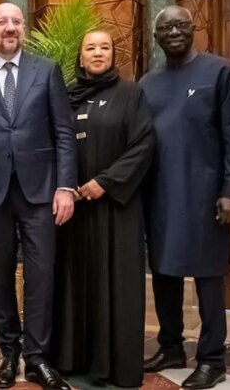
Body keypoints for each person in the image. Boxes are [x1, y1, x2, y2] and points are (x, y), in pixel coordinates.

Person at [0, 2, 76, 390]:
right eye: (1, 22)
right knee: (0, 276)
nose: (9, 28)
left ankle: (37, 358)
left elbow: (64, 132)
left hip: (41, 191)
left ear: (23, 28)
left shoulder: (46, 71)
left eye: (15, 22)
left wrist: (65, 187)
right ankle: (8, 353)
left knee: (41, 275)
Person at [140, 5, 230, 390]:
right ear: (156, 37)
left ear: (193, 28)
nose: (173, 32)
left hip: (206, 196)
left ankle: (212, 359)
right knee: (164, 274)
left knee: (208, 277)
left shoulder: (221, 72)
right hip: (159, 196)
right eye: (165, 27)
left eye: (180, 25)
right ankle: (171, 347)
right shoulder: (147, 84)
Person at [51, 30, 155, 388]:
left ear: (113, 55)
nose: (98, 53)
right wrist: (65, 187)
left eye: (104, 47)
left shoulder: (131, 93)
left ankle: (116, 367)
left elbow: (143, 145)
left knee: (116, 285)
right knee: (75, 283)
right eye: (90, 48)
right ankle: (73, 360)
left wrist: (105, 182)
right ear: (80, 57)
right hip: (74, 211)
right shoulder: (66, 96)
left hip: (117, 209)